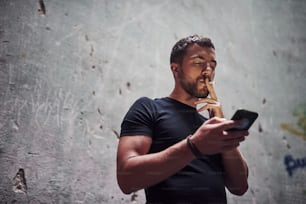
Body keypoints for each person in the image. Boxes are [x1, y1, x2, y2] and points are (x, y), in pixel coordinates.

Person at [116, 35, 249, 204]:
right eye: (198, 62)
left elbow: (240, 187)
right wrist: (194, 146)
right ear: (175, 69)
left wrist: (224, 128)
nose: (208, 71)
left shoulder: (210, 126)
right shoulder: (148, 108)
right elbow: (126, 179)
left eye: (212, 65)